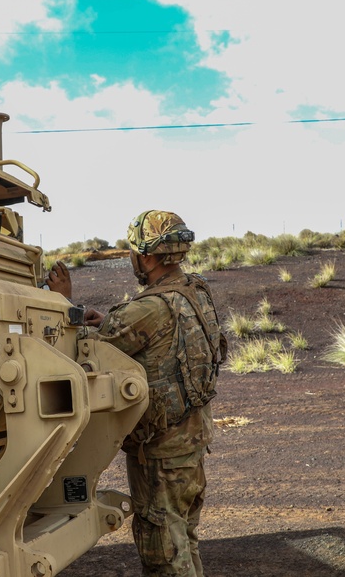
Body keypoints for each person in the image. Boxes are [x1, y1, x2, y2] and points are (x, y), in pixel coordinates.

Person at [81, 210, 227, 577]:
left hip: (161, 454)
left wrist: (63, 300)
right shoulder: (196, 290)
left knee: (163, 552)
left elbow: (88, 349)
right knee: (184, 539)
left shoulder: (149, 308)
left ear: (146, 255)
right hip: (192, 441)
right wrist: (110, 321)